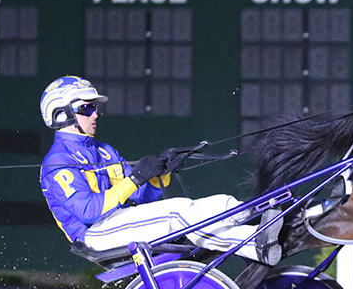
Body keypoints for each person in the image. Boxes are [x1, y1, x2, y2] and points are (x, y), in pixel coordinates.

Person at [38, 76, 282, 264]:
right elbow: (89, 211)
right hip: (94, 235)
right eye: (86, 108)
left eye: (95, 108)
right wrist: (135, 178)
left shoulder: (104, 150)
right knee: (177, 213)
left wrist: (161, 172)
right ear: (61, 115)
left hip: (117, 221)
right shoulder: (57, 161)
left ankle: (260, 216)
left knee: (214, 203)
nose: (95, 114)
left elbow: (142, 196)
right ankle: (254, 247)